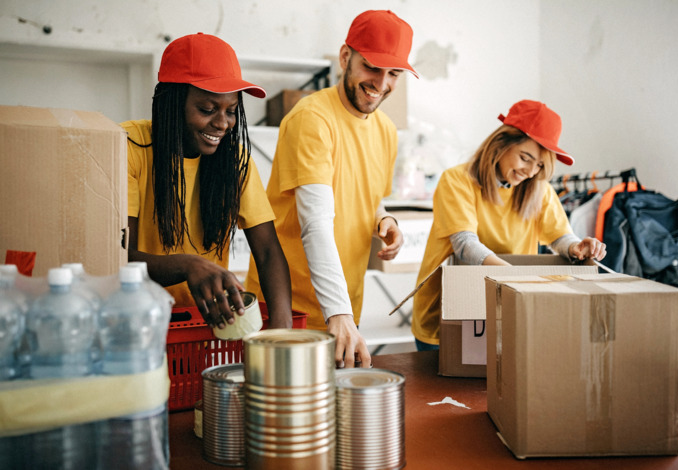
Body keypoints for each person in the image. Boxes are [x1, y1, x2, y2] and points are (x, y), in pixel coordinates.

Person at [245, 10, 419, 368]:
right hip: (289, 309)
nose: (381, 83)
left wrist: (385, 220)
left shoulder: (385, 129)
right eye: (372, 67)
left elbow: (370, 196)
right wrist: (339, 312)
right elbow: (317, 221)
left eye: (394, 73)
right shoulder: (313, 119)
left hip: (340, 309)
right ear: (345, 58)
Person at [122, 33, 292, 331]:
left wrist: (281, 332)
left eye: (231, 110)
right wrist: (189, 265)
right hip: (137, 325)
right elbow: (119, 256)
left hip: (206, 328)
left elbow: (266, 250)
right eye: (207, 109)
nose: (223, 123)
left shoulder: (233, 160)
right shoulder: (128, 146)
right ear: (171, 103)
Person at [411, 99, 607, 351]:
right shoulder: (457, 180)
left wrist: (576, 247)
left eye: (539, 165)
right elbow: (465, 247)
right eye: (525, 158)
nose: (530, 171)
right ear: (500, 144)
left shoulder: (539, 190)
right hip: (447, 311)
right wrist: (520, 279)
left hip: (508, 309)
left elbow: (559, 237)